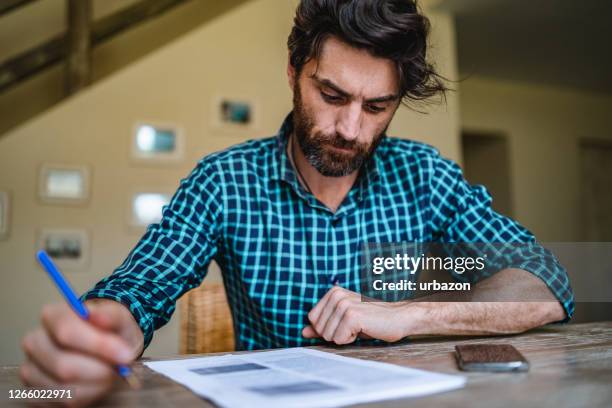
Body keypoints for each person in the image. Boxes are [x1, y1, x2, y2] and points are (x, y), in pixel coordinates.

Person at [20, 0, 574, 405]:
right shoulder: (225, 180)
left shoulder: (424, 175)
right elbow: (141, 288)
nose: (351, 129)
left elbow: (547, 281)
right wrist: (104, 332)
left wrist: (412, 313)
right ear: (293, 73)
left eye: (377, 106)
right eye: (331, 96)